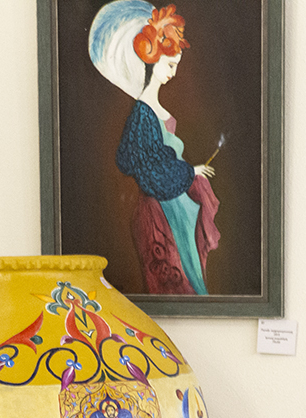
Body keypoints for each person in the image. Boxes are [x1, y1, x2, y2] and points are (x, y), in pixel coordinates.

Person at [90, 2, 220, 296]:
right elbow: (147, 171)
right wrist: (191, 172)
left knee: (188, 281)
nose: (174, 72)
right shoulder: (142, 115)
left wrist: (189, 174)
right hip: (161, 215)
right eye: (170, 65)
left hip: (176, 211)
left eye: (176, 65)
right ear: (151, 60)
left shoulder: (151, 111)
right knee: (175, 284)